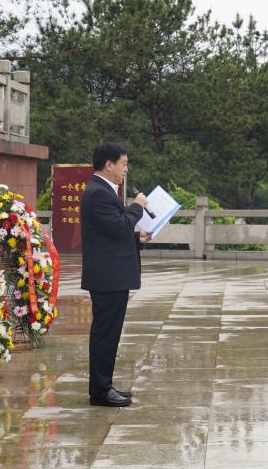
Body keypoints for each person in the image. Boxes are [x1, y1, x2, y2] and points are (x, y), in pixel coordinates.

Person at [81, 142, 152, 407]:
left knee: (109, 334)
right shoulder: (98, 192)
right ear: (109, 164)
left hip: (111, 274)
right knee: (105, 334)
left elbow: (113, 233)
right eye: (123, 164)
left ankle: (105, 385)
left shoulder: (104, 191)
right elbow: (119, 226)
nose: (126, 169)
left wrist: (137, 238)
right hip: (107, 277)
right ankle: (100, 391)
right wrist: (137, 207)